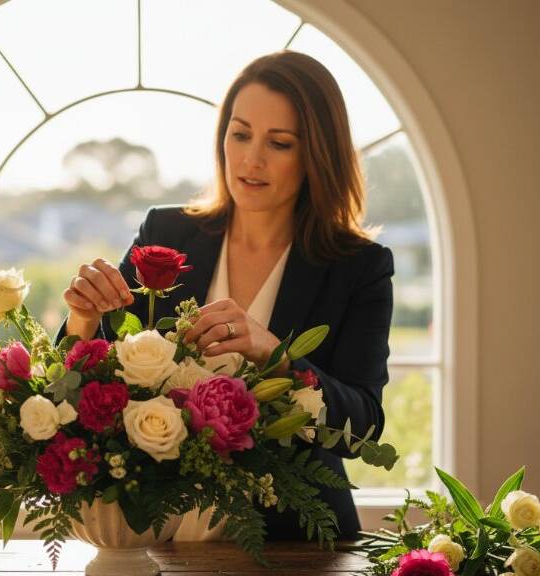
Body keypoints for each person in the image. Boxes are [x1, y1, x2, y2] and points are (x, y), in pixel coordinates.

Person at [60, 50, 394, 540]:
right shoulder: (165, 233)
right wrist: (82, 317)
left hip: (295, 543)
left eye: (279, 143)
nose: (251, 159)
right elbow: (77, 388)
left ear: (317, 154)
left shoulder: (359, 267)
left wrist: (276, 356)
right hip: (156, 537)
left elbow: (362, 430)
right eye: (240, 134)